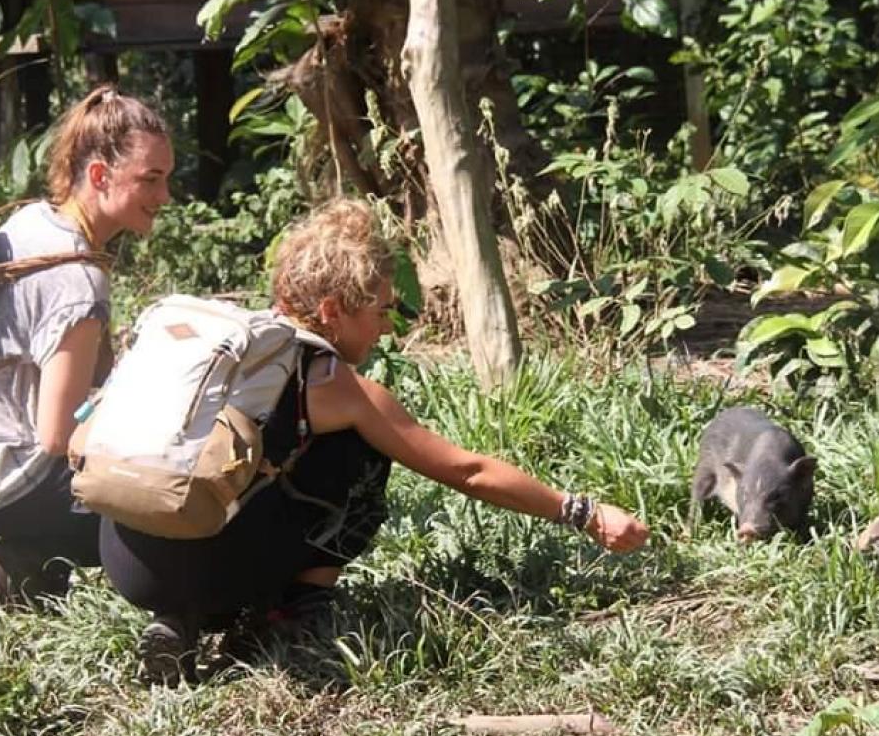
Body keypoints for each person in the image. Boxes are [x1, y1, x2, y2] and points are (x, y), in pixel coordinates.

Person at [98, 198, 649, 680]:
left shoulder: (226, 344)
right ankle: (296, 609)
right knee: (363, 451)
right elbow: (468, 471)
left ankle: (181, 617)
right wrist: (584, 513)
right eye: (380, 311)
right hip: (210, 563)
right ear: (331, 311)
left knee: (245, 480)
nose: (387, 327)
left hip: (124, 558)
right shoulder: (335, 384)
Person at [0, 84, 174, 607]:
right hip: (10, 480)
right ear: (100, 176)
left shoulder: (34, 220)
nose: (164, 197)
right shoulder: (78, 283)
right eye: (150, 179)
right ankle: (44, 554)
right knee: (173, 501)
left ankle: (23, 566)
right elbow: (59, 434)